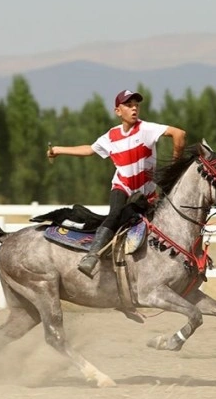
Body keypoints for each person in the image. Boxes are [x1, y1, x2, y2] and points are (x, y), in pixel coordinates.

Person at [46, 89, 186, 278]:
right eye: (128, 105)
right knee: (115, 216)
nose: (134, 108)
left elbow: (179, 134)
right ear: (118, 111)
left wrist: (174, 167)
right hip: (123, 187)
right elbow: (89, 150)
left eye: (136, 105)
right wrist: (57, 149)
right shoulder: (110, 136)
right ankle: (92, 256)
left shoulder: (146, 129)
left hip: (148, 194)